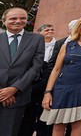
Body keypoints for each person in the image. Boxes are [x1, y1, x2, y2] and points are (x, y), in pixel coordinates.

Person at [41, 16, 81, 136]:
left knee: (77, 124)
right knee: (58, 124)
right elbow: (56, 69)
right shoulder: (67, 45)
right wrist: (47, 92)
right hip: (62, 87)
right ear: (78, 28)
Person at [0, 8, 45, 136]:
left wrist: (15, 88)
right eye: (13, 18)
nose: (18, 21)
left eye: (22, 18)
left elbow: (36, 67)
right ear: (4, 21)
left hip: (17, 97)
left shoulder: (37, 39)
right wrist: (2, 92)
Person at [19, 24, 56, 136]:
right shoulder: (32, 47)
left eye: (52, 29)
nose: (50, 31)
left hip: (45, 85)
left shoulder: (58, 45)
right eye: (46, 30)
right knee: (26, 119)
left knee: (43, 118)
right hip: (27, 87)